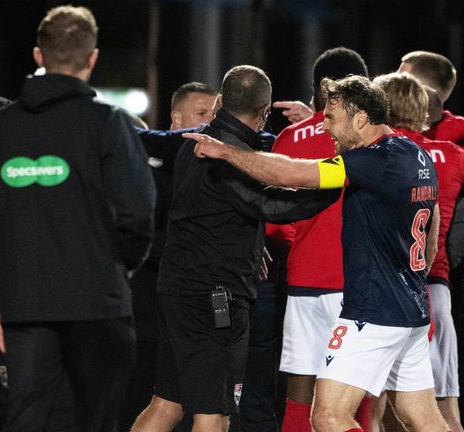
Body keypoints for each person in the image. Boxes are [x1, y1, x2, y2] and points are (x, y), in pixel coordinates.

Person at [188, 75, 447, 432]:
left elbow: (292, 173)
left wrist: (226, 151)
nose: (325, 128)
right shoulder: (415, 153)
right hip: (413, 311)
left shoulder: (372, 161)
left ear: (360, 119)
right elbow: (432, 231)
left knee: (327, 416)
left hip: (373, 314)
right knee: (423, 418)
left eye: (332, 118)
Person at [0, 6, 156, 431]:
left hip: (25, 306)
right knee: (94, 421)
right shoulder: (108, 124)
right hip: (97, 305)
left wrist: (1, 293)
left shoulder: (1, 129)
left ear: (38, 56)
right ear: (92, 59)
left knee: (27, 418)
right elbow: (139, 213)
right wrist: (115, 268)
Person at [132, 65, 339, 432]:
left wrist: (250, 244)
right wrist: (336, 187)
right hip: (214, 298)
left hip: (176, 289)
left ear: (221, 102)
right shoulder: (231, 154)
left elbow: (210, 211)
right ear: (264, 113)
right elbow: (270, 205)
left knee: (166, 404)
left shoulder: (192, 144)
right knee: (215, 412)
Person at [373, 72, 464, 432]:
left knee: (378, 412)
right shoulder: (449, 154)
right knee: (444, 412)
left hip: (384, 290)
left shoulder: (372, 155)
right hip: (435, 288)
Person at [270, 47, 374, 432]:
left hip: (305, 279)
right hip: (361, 282)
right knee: (354, 395)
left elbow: (274, 222)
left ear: (316, 92)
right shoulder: (377, 139)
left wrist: (300, 241)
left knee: (300, 388)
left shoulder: (292, 136)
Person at [119, 81, 217, 431]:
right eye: (202, 114)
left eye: (216, 115)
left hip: (199, 307)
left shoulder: (218, 167)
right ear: (176, 120)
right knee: (142, 400)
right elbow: (133, 235)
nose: (210, 123)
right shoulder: (145, 168)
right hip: (147, 308)